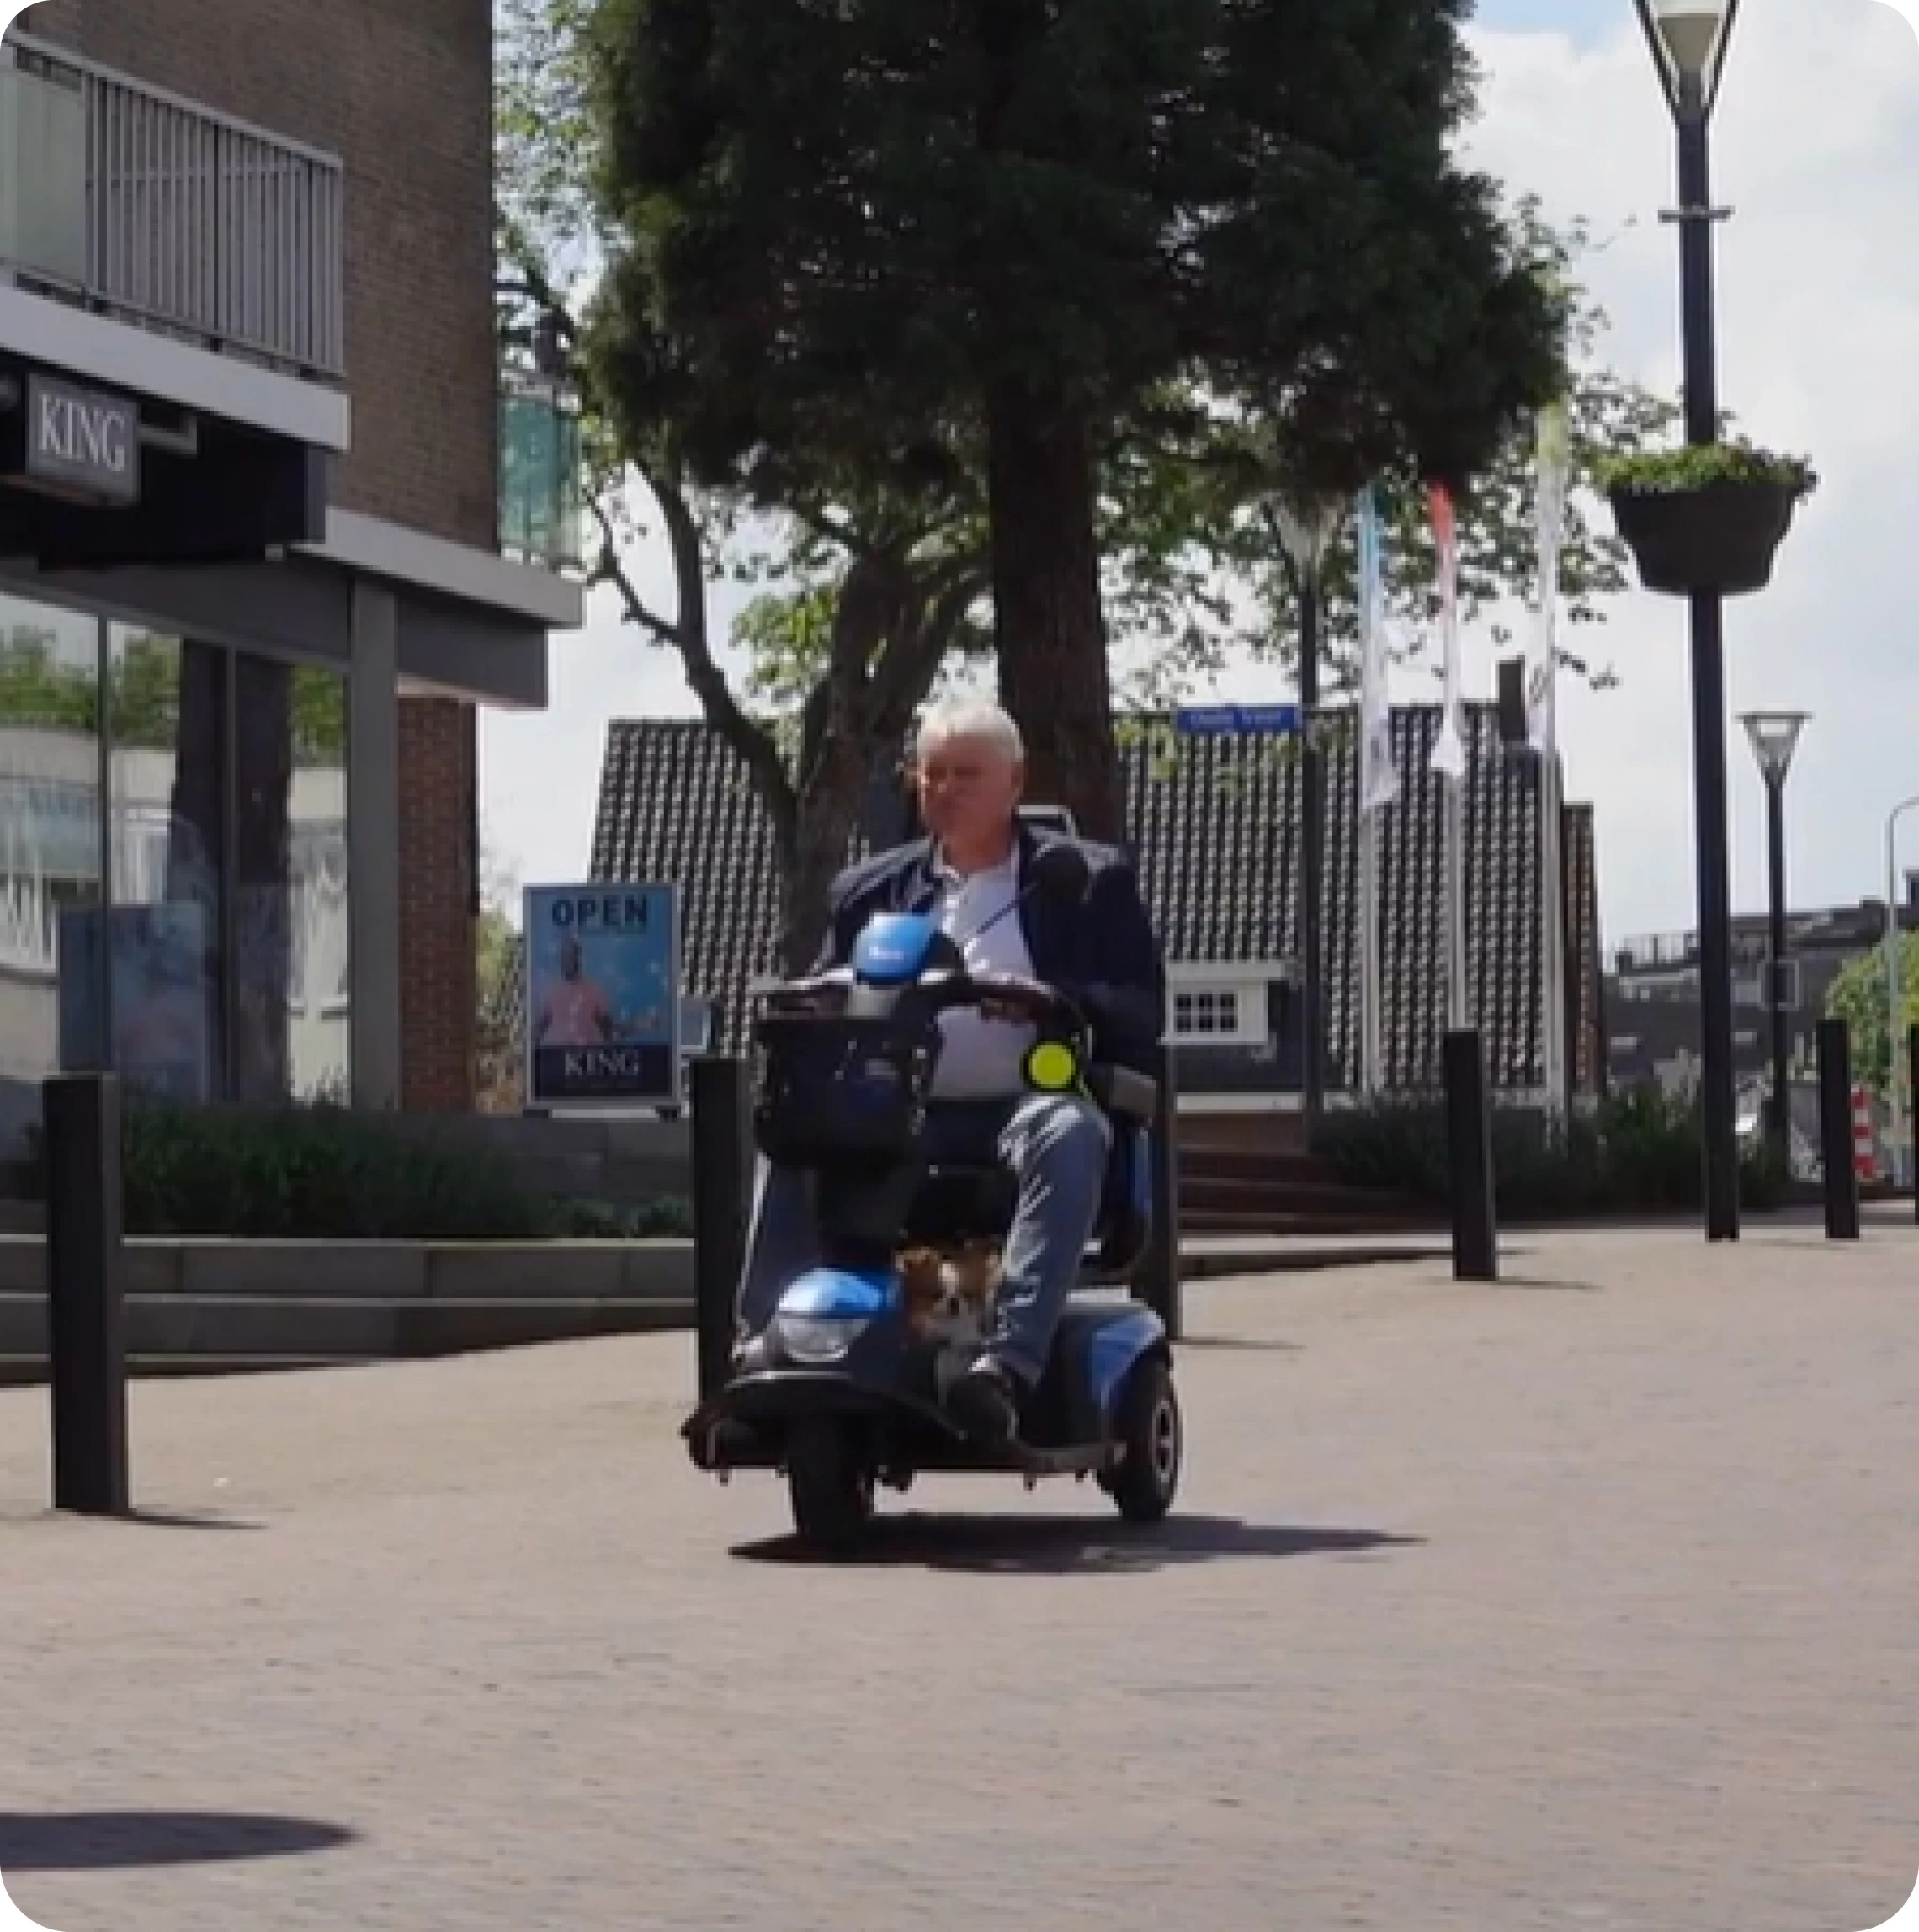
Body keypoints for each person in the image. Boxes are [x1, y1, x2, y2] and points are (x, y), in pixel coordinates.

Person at [737, 697, 1167, 1446]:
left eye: (967, 774)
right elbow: (820, 986)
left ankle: (1006, 1368)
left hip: (1022, 1106)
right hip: (898, 1114)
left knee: (1067, 1132)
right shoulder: (870, 893)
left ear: (1015, 781)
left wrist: (1053, 1004)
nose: (946, 790)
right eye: (932, 774)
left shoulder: (1087, 882)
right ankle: (763, 1340)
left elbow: (1142, 1009)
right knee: (794, 1133)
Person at [534, 934, 617, 1048]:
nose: (567, 960)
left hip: (586, 1058)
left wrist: (634, 1027)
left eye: (571, 955)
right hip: (556, 1057)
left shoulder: (593, 990)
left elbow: (609, 1030)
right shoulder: (550, 990)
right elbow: (540, 1028)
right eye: (564, 956)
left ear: (579, 958)